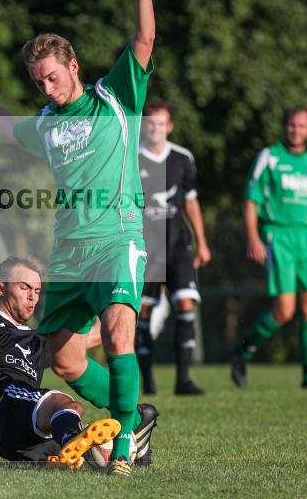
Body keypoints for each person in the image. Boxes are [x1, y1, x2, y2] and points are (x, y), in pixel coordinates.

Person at [0, 0, 157, 476]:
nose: (48, 88)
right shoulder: (47, 124)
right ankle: (137, 417)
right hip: (70, 251)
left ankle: (124, 445)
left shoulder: (115, 97)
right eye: (39, 83)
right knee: (63, 357)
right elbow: (8, 130)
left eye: (53, 78)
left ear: (73, 66)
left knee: (119, 332)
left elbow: (144, 38)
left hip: (117, 239)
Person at [0, 256, 159, 468]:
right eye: (24, 287)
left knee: (97, 449)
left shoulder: (39, 339)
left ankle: (127, 439)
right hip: (3, 403)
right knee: (66, 405)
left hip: (29, 434)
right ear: (0, 288)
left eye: (37, 291)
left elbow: (95, 335)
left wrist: (123, 299)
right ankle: (74, 440)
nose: (32, 297)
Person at [231, 107, 307, 389]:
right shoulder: (270, 157)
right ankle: (243, 351)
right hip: (278, 235)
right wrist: (253, 237)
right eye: (292, 125)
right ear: (284, 127)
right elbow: (250, 200)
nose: (296, 130)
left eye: (302, 126)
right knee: (285, 309)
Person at [136, 100, 211, 396]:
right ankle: (147, 382)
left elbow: (191, 202)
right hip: (145, 248)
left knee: (186, 303)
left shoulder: (182, 158)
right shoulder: (131, 159)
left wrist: (202, 242)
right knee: (142, 311)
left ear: (170, 126)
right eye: (150, 123)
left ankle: (183, 380)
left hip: (178, 244)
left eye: (161, 123)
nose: (155, 128)